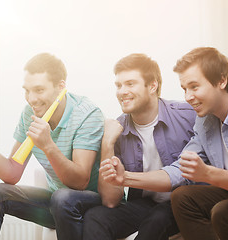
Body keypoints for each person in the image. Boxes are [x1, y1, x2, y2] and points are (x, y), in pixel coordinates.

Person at [99, 47, 228, 240]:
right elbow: (179, 171)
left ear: (221, 80)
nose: (188, 97)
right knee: (183, 197)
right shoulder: (205, 120)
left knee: (223, 213)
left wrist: (208, 174)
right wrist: (125, 178)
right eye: (185, 89)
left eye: (194, 87)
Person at [0, 53, 104, 240]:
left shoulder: (87, 114)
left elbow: (80, 182)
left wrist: (48, 145)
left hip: (92, 206)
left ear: (61, 87)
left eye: (39, 90)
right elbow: (12, 173)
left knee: (63, 197)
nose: (31, 99)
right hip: (57, 204)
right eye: (27, 90)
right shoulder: (30, 113)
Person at [83, 53, 196, 240]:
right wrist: (107, 143)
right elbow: (110, 201)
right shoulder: (117, 130)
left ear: (153, 85)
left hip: (182, 203)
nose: (122, 91)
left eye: (130, 84)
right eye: (118, 85)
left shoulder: (188, 116)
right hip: (145, 204)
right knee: (95, 217)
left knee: (157, 220)